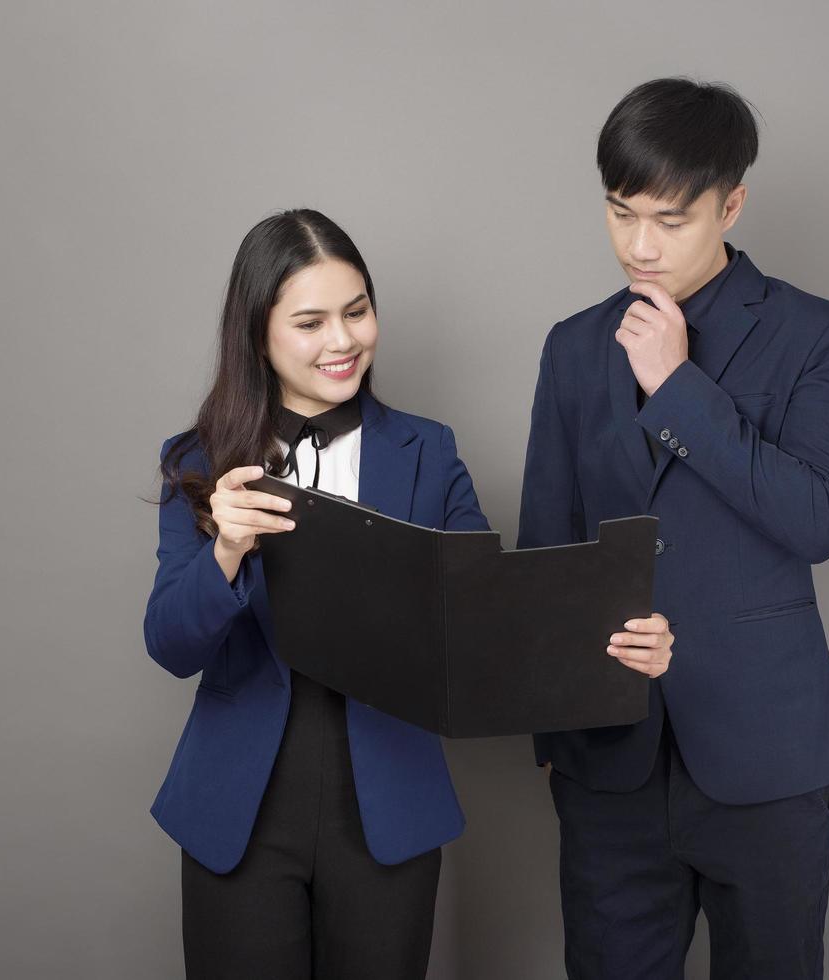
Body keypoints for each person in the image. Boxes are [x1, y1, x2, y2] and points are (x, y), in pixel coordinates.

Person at [142, 208, 672, 978]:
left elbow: (495, 617)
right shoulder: (197, 459)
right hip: (238, 808)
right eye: (310, 321)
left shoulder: (429, 451)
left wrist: (622, 640)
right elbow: (169, 645)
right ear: (257, 334)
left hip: (388, 802)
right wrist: (224, 549)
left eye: (357, 312)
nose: (342, 340)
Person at [519, 78, 829, 979]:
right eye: (619, 212)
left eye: (670, 221)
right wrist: (557, 742)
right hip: (608, 765)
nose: (639, 246)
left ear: (731, 204)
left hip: (767, 752)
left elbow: (820, 517)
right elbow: (548, 551)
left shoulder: (819, 337)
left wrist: (679, 390)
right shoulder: (571, 347)